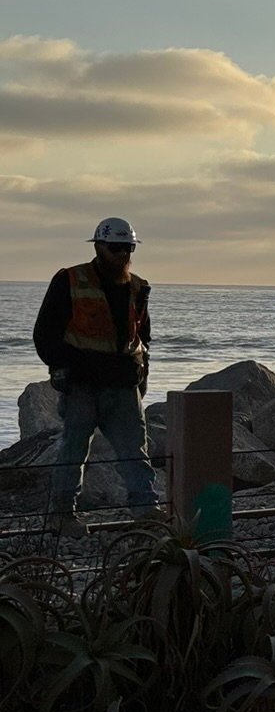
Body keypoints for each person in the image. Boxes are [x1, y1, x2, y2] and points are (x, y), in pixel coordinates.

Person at [33, 217, 162, 534]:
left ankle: (147, 510)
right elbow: (45, 333)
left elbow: (141, 337)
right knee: (73, 450)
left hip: (122, 386)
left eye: (128, 248)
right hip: (83, 385)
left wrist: (141, 375)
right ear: (99, 247)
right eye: (116, 248)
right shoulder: (70, 280)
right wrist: (61, 368)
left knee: (134, 451)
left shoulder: (137, 287)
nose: (122, 254)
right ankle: (62, 514)